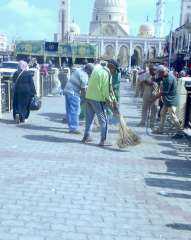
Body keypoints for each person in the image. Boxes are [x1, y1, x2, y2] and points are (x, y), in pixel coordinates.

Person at [82, 62, 117, 146]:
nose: (114, 72)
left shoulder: (97, 69)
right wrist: (110, 102)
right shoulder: (106, 73)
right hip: (97, 99)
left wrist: (114, 100)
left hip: (89, 96)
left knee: (89, 119)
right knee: (103, 120)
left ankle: (86, 137)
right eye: (115, 70)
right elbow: (105, 90)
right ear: (111, 67)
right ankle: (103, 140)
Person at [153, 65, 183, 138]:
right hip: (167, 100)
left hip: (172, 100)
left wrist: (156, 96)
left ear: (163, 72)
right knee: (162, 113)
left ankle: (180, 133)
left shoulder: (169, 78)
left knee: (173, 116)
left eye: (160, 73)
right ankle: (160, 130)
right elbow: (159, 79)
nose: (159, 75)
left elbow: (165, 92)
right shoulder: (165, 75)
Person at [64, 63, 94, 134]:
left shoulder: (79, 70)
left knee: (69, 110)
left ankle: (71, 126)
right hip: (73, 93)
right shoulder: (84, 75)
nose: (90, 74)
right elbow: (83, 90)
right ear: (88, 70)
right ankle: (74, 128)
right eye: (90, 72)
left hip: (67, 90)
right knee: (75, 110)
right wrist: (86, 98)